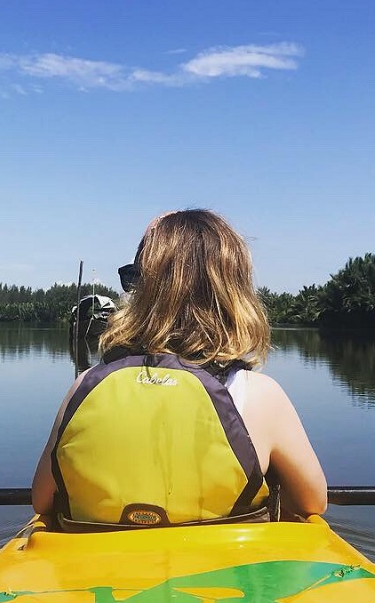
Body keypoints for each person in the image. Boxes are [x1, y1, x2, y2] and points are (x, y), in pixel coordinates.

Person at [32, 209, 327, 529]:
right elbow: (312, 501)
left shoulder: (86, 385)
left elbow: (42, 499)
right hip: (221, 570)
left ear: (141, 290)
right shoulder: (261, 396)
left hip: (100, 570)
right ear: (235, 293)